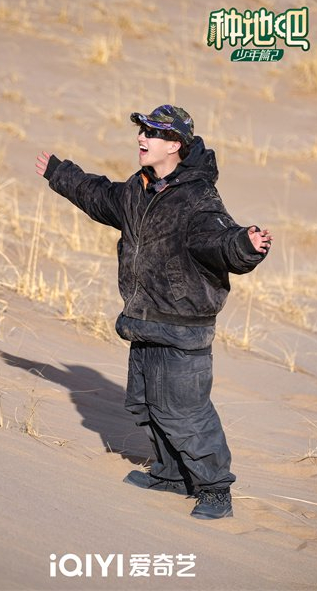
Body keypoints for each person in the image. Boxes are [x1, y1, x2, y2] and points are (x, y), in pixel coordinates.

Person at [35, 105, 273, 520]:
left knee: (185, 414)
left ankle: (216, 489)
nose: (141, 138)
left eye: (153, 133)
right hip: (144, 321)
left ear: (175, 144)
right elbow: (99, 195)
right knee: (147, 406)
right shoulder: (138, 188)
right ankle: (171, 476)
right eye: (142, 130)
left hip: (182, 327)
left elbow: (220, 241)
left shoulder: (197, 198)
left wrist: (244, 246)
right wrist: (60, 173)